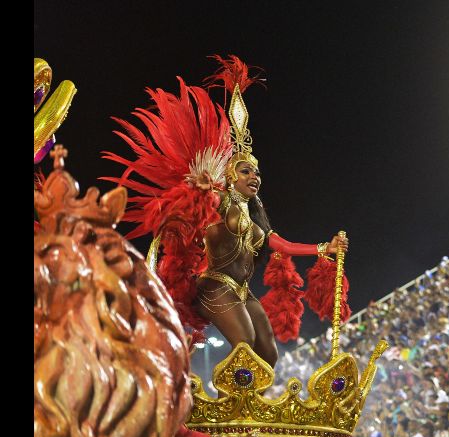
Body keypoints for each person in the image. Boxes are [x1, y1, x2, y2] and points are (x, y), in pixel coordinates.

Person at [103, 55, 348, 368]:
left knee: (268, 353)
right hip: (215, 286)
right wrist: (201, 190)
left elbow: (282, 245)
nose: (254, 177)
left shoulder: (254, 216)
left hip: (241, 291)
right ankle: (227, 395)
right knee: (245, 344)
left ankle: (250, 397)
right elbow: (197, 207)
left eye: (256, 173)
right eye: (246, 171)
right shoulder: (221, 200)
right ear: (231, 177)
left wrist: (324, 248)